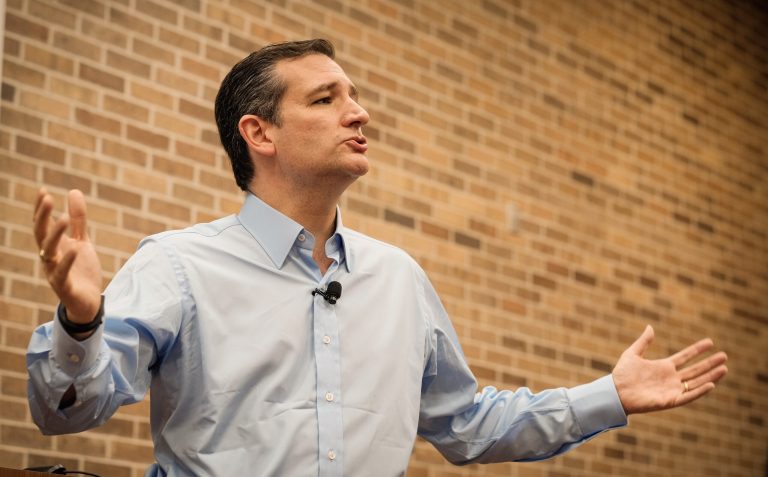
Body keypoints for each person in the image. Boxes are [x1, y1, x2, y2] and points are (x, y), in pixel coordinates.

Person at [27, 39, 728, 476]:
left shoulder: (399, 278)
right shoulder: (178, 265)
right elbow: (65, 411)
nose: (358, 113)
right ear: (258, 132)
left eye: (356, 97)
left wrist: (609, 394)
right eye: (327, 99)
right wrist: (82, 321)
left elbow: (466, 423)